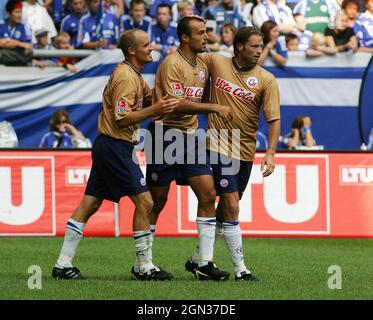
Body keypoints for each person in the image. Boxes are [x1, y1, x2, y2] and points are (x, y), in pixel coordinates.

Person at [52, 29, 178, 280]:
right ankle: (143, 267)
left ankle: (62, 264)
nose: (151, 48)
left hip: (110, 145)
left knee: (90, 204)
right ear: (132, 51)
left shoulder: (133, 75)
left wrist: (170, 87)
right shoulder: (125, 78)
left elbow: (151, 98)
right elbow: (122, 119)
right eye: (146, 45)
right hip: (116, 146)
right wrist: (155, 108)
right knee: (146, 203)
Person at [186, 26, 281, 281]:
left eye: (260, 47)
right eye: (253, 46)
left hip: (245, 150)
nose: (258, 51)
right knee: (232, 205)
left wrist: (270, 153)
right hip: (217, 143)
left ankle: (198, 258)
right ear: (239, 47)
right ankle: (241, 269)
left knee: (226, 210)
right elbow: (189, 58)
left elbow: (274, 120)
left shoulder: (267, 79)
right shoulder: (216, 61)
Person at [146, 15, 232, 281]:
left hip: (191, 137)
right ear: (185, 37)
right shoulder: (172, 63)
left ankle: (203, 263)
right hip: (164, 135)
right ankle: (143, 263)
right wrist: (214, 108)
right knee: (157, 201)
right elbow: (176, 104)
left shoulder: (202, 64)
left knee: (208, 194)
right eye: (201, 33)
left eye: (206, 32)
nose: (206, 37)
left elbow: (200, 97)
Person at [0, 0, 33, 66]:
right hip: (15, 57)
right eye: (17, 12)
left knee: (27, 54)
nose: (19, 15)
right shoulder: (1, 25)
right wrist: (18, 43)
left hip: (18, 56)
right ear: (8, 13)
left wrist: (8, 42)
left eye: (21, 12)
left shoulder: (25, 26)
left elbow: (28, 46)